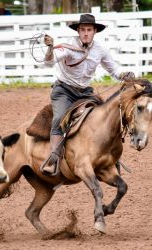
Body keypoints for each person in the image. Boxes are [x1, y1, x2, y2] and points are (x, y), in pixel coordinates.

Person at [40, 13, 135, 176]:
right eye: (82, 29)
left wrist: (126, 74)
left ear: (94, 31)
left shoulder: (100, 50)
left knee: (105, 115)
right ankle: (54, 157)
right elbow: (49, 62)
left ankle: (110, 155)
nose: (85, 33)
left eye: (89, 30)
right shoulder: (68, 46)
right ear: (78, 31)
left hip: (85, 92)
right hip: (64, 90)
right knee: (59, 118)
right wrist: (50, 48)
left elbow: (114, 69)